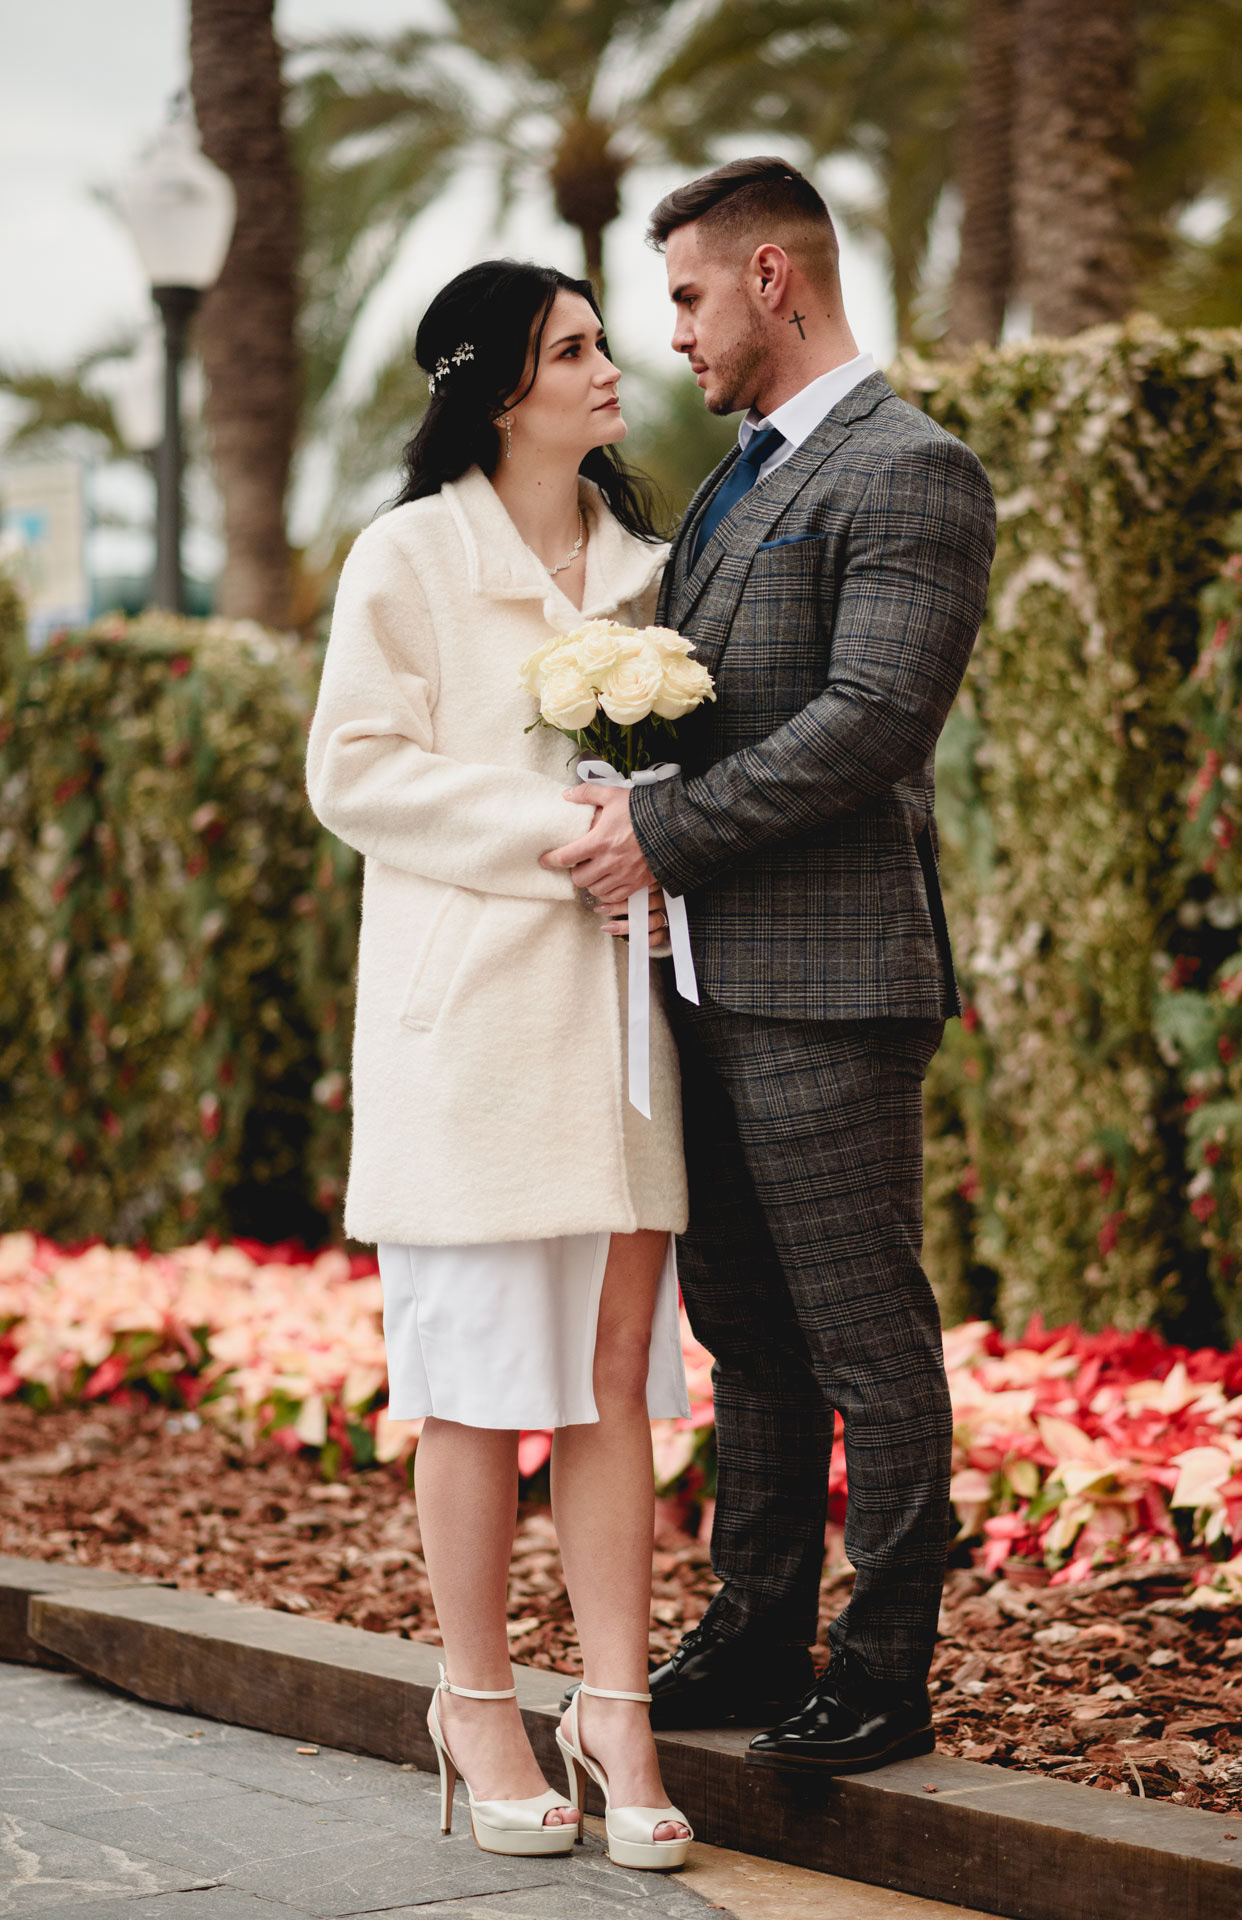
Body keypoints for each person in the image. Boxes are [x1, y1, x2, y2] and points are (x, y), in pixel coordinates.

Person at [543, 158, 997, 1774]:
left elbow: (871, 724)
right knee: (744, 1330)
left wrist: (663, 834)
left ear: (771, 283)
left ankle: (881, 1670)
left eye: (681, 296)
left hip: (830, 982)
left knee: (868, 1338)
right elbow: (713, 699)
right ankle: (750, 1636)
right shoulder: (741, 471)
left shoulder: (910, 470)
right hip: (700, 973)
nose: (668, 334)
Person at [306, 260, 692, 1868]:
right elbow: (354, 770)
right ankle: (474, 1700)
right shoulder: (407, 556)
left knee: (615, 1390)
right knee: (470, 1394)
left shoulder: (655, 572)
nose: (613, 369)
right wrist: (568, 829)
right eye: (576, 348)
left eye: (606, 340)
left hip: (621, 1043)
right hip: (464, 1039)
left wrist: (660, 830)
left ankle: (615, 1711)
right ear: (499, 386)